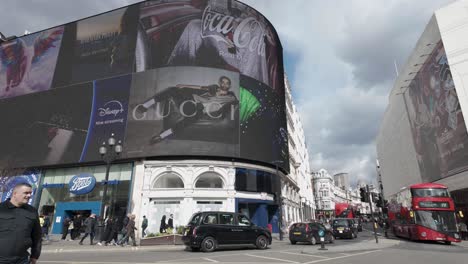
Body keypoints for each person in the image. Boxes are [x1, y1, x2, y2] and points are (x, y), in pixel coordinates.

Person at [135, 76, 238, 144]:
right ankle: (145, 106)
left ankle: (161, 136)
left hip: (200, 110)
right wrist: (184, 85)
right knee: (172, 90)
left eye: (227, 83)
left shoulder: (231, 97)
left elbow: (237, 104)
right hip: (191, 101)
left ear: (229, 85)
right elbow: (200, 88)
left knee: (189, 120)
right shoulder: (214, 88)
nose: (224, 85)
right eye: (223, 82)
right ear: (220, 83)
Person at [0, 182, 42, 264]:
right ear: (15, 193)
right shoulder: (1, 208)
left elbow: (37, 236)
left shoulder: (32, 211)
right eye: (26, 193)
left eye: (30, 193)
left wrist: (34, 256)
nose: (29, 196)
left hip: (22, 260)